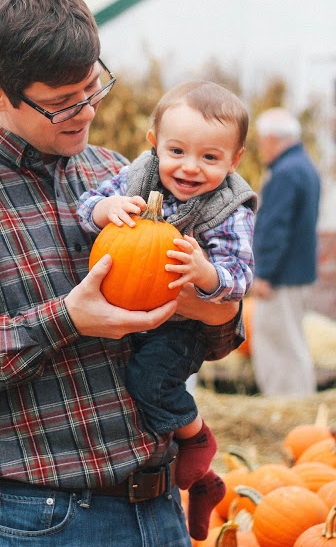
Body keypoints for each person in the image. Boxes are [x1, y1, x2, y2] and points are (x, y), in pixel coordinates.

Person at [0, 0, 244, 547]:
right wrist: (64, 320)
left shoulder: (118, 174)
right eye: (60, 104)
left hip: (159, 506)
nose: (85, 113)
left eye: (93, 90)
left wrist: (213, 307)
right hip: (41, 519)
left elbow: (201, 329)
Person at [78, 80, 256, 539]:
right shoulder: (135, 178)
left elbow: (240, 276)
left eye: (210, 158)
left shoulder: (230, 208)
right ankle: (204, 483)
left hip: (181, 327)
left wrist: (206, 273)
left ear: (235, 160)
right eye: (177, 151)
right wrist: (106, 209)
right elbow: (85, 208)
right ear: (154, 142)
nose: (190, 168)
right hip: (131, 309)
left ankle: (197, 438)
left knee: (151, 380)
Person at [251, 107, 321, 396]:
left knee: (277, 346)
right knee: (292, 344)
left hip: (281, 278)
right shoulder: (305, 166)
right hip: (297, 274)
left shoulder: (285, 173)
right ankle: (300, 404)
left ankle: (286, 405)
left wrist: (264, 274)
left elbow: (276, 227)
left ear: (270, 138)